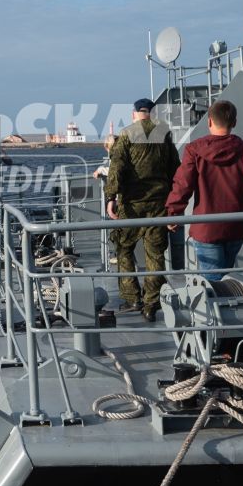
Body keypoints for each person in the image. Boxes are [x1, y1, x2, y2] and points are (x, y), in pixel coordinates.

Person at [162, 100, 243, 280]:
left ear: (209, 121)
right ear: (234, 123)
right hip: (237, 227)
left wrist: (173, 213)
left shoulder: (194, 150)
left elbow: (183, 184)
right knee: (224, 279)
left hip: (206, 228)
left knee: (214, 287)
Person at [105, 99, 180, 321]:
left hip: (131, 204)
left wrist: (111, 197)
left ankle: (132, 296)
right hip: (159, 202)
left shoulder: (127, 134)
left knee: (124, 247)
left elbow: (116, 167)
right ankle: (151, 304)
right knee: (155, 254)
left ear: (135, 114)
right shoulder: (164, 133)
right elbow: (175, 168)